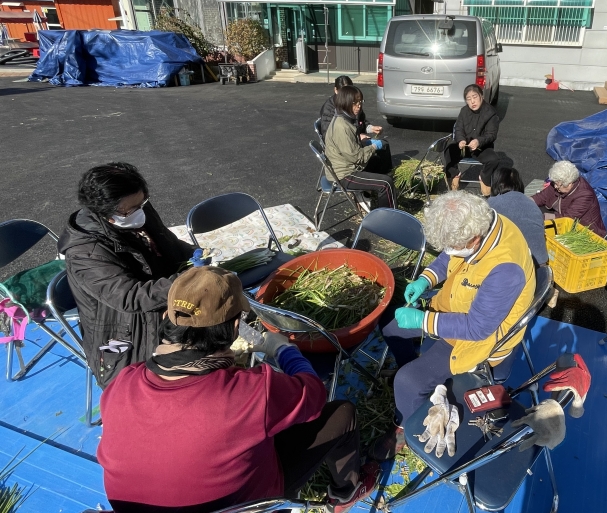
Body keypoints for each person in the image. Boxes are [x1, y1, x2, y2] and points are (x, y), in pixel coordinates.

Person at [97, 266, 380, 513]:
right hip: (239, 505)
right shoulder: (250, 390)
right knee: (342, 414)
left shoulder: (123, 381)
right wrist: (285, 351)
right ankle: (345, 494)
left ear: (165, 319)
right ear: (235, 326)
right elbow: (314, 393)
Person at [372, 191, 535, 459]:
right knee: (390, 325)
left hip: (477, 337)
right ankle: (415, 375)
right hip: (458, 306)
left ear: (474, 239)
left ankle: (404, 426)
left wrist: (422, 320)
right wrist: (426, 279)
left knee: (408, 381)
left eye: (452, 246)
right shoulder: (480, 222)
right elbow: (450, 256)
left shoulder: (506, 269)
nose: (448, 252)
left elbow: (477, 328)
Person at [58, 162, 201, 389]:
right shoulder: (86, 252)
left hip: (165, 306)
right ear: (104, 212)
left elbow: (167, 244)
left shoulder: (136, 210)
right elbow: (130, 297)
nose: (139, 213)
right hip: (129, 340)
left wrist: (193, 255)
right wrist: (189, 282)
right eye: (128, 211)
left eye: (141, 203)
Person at [324, 85, 397, 209]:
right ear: (345, 102)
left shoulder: (345, 119)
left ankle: (370, 195)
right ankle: (389, 216)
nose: (359, 106)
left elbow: (351, 147)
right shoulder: (342, 127)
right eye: (355, 103)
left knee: (380, 159)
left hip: (347, 165)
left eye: (360, 102)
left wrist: (367, 144)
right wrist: (373, 146)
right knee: (386, 183)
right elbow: (357, 157)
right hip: (344, 175)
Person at [479, 162, 549, 268]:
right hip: (540, 263)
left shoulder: (492, 203)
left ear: (496, 184)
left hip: (516, 266)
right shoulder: (531, 203)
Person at [443, 84, 500, 190]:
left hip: (481, 148)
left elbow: (491, 135)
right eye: (468, 99)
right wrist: (461, 140)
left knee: (494, 159)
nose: (472, 101)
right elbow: (458, 128)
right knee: (448, 151)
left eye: (475, 97)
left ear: (481, 96)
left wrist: (478, 141)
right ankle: (455, 174)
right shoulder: (464, 111)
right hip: (464, 147)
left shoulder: (490, 113)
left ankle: (484, 178)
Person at [531, 161, 606, 236]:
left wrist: (539, 217)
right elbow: (542, 196)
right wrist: (526, 202)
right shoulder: (559, 184)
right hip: (566, 221)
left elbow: (567, 218)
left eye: (557, 184)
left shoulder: (585, 195)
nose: (555, 187)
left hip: (586, 232)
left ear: (569, 184)